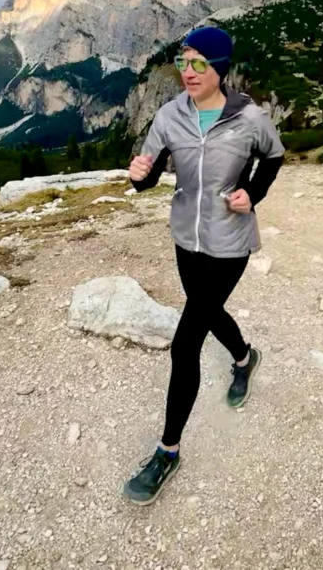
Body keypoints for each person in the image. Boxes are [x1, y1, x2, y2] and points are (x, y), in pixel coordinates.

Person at [122, 25, 285, 505]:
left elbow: (273, 159)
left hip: (230, 241)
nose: (188, 73)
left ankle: (167, 451)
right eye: (182, 62)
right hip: (185, 240)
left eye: (199, 64)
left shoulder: (249, 118)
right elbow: (148, 178)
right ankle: (244, 357)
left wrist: (251, 193)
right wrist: (139, 176)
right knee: (207, 311)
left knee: (186, 341)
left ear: (220, 68)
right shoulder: (169, 116)